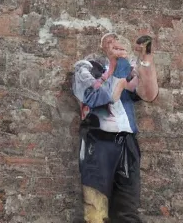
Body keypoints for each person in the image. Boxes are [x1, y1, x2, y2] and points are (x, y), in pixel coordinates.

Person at [71, 33, 160, 223]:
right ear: (101, 46)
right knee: (96, 212)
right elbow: (100, 96)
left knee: (128, 211)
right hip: (97, 141)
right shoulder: (86, 67)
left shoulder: (126, 69)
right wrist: (114, 67)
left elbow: (149, 94)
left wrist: (146, 58)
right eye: (109, 42)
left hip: (127, 142)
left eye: (117, 41)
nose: (115, 45)